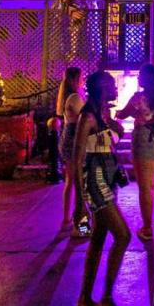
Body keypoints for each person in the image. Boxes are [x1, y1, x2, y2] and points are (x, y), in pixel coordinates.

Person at [72, 71, 130, 306]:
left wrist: (117, 126)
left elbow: (111, 142)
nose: (115, 88)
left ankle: (85, 300)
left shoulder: (104, 116)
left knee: (97, 240)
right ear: (98, 89)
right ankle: (106, 297)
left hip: (107, 180)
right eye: (109, 84)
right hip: (95, 182)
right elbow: (76, 159)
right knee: (123, 235)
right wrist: (79, 203)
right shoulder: (88, 118)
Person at [116, 64, 154, 242]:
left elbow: (122, 115)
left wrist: (117, 112)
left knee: (145, 189)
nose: (139, 77)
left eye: (141, 75)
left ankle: (147, 229)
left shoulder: (139, 97)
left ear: (146, 78)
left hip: (146, 142)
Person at [57, 67, 86, 234]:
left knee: (70, 182)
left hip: (68, 137)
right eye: (81, 78)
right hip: (74, 140)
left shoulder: (67, 96)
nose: (83, 80)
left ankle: (66, 219)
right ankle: (81, 226)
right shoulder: (75, 98)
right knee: (79, 184)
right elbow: (85, 117)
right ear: (75, 80)